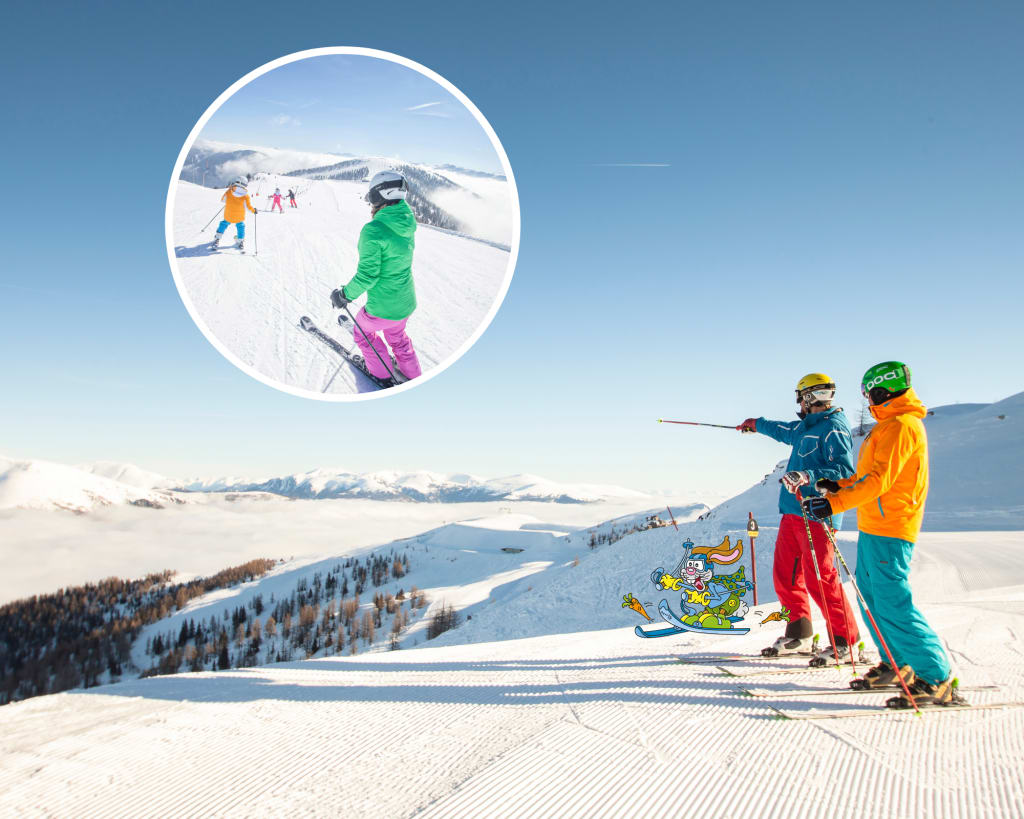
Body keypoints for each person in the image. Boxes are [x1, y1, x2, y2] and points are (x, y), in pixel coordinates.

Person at [802, 362, 953, 706]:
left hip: (893, 528)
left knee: (892, 601)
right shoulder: (887, 426)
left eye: (869, 392)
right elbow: (866, 476)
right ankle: (898, 664)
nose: (868, 398)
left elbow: (879, 481)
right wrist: (835, 486)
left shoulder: (901, 426)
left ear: (881, 390)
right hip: (874, 526)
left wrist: (834, 504)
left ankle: (935, 677)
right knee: (870, 597)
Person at [737, 373, 858, 664]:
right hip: (793, 512)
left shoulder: (834, 428)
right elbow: (783, 429)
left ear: (807, 397)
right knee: (785, 576)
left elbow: (843, 471)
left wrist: (807, 475)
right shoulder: (807, 427)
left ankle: (846, 642)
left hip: (817, 513)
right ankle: (800, 635)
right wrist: (755, 424)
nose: (799, 403)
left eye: (800, 397)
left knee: (821, 578)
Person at [329, 171, 422, 386]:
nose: (370, 202)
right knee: (398, 339)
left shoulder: (374, 230)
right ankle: (414, 376)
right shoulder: (406, 223)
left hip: (383, 308)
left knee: (363, 334)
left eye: (371, 196)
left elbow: (368, 276)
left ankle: (382, 374)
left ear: (381, 195)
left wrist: (344, 295)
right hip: (405, 302)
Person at [211, 177, 256, 250]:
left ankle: (217, 238)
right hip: (239, 217)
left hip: (228, 215)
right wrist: (254, 211)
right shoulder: (245, 196)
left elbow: (223, 200)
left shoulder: (229, 192)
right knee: (241, 226)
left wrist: (230, 201)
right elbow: (248, 208)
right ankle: (240, 241)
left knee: (224, 224)